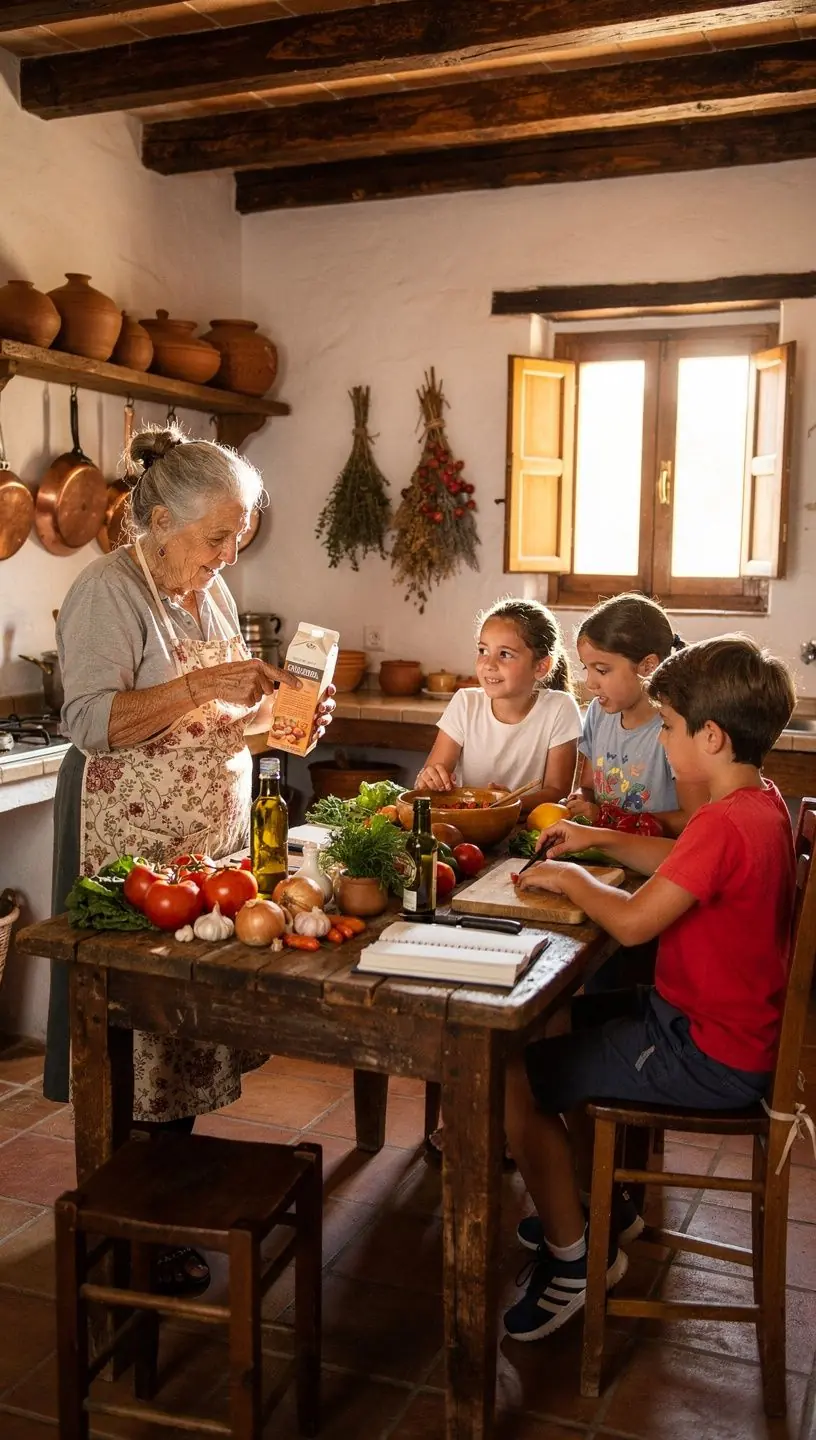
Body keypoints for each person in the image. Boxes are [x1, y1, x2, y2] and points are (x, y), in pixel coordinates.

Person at [43, 423, 334, 1293]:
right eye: (218, 536)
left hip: (201, 843)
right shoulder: (109, 590)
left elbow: (207, 723)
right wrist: (209, 685)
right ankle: (128, 1227)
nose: (227, 552)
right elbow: (93, 722)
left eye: (236, 537)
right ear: (161, 520)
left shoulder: (202, 591)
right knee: (137, 1034)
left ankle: (160, 1206)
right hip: (131, 846)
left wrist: (278, 725)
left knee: (181, 1036)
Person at [502, 635, 796, 1342]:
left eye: (667, 725)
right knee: (554, 1023)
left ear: (712, 736)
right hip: (718, 1028)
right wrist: (592, 839)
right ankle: (596, 1206)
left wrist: (572, 877)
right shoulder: (758, 804)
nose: (662, 738)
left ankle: (575, 1265)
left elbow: (633, 926)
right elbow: (685, 859)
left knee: (510, 1075)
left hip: (704, 1051)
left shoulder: (724, 823)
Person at [415, 597, 582, 813]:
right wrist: (428, 779)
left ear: (541, 666)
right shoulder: (465, 703)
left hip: (527, 829)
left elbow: (557, 791)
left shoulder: (560, 708)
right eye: (483, 650)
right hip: (468, 830)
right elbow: (432, 776)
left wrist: (511, 804)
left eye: (505, 654)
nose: (489, 664)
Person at [568, 593, 709, 837]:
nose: (590, 683)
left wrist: (607, 819)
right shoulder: (598, 714)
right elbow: (589, 787)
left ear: (647, 666)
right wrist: (579, 801)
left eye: (602, 670)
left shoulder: (676, 728)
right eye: (586, 667)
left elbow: (693, 819)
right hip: (609, 853)